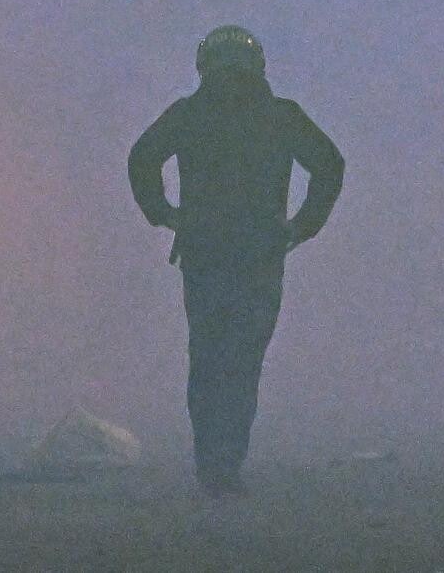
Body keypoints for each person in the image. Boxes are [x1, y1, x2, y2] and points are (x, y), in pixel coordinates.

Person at [128, 25, 344, 497]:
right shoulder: (280, 117)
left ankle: (214, 462)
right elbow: (330, 165)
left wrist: (165, 213)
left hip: (207, 254)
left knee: (209, 356)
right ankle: (225, 462)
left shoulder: (190, 115)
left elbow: (142, 158)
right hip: (258, 255)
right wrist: (300, 225)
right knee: (242, 359)